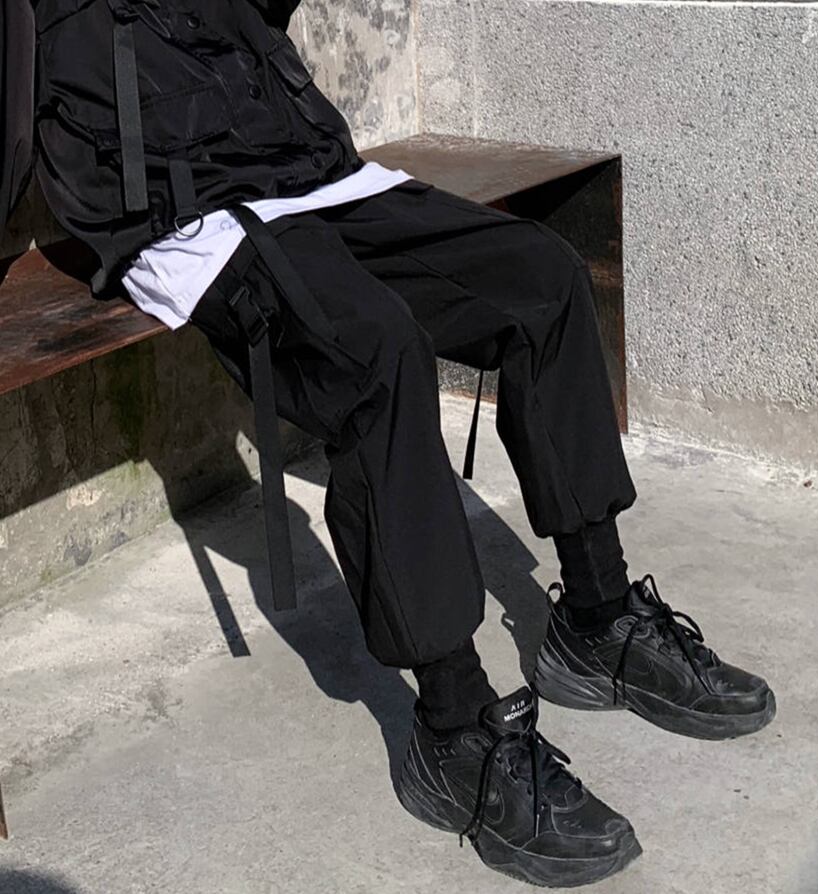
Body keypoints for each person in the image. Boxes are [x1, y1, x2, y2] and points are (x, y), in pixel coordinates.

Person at [8, 0, 776, 886]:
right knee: (376, 355)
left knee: (543, 278)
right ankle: (452, 730)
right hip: (194, 222)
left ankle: (597, 621)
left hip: (309, 172)